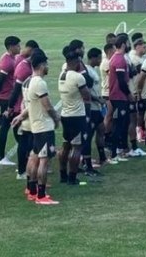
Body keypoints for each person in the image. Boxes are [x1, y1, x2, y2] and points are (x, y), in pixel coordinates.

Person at [13, 50, 61, 205]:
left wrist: (21, 116)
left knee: (34, 158)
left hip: (35, 126)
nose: (48, 67)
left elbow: (30, 105)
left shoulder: (29, 81)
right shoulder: (39, 82)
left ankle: (31, 189)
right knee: (44, 161)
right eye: (46, 64)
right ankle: (41, 195)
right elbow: (46, 105)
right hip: (43, 127)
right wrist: (56, 118)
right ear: (41, 65)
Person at [6, 40, 39, 180]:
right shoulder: (24, 68)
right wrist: (10, 107)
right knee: (25, 141)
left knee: (28, 140)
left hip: (25, 108)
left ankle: (26, 168)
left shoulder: (27, 67)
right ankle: (22, 170)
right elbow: (15, 90)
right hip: (23, 110)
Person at [57, 46, 91, 185]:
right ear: (77, 62)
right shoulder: (78, 77)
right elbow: (87, 96)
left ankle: (63, 175)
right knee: (77, 147)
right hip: (77, 116)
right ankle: (72, 177)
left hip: (65, 114)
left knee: (65, 145)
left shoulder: (61, 75)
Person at [0, 36, 21, 166]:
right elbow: (0, 79)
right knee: (9, 125)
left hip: (8, 96)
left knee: (11, 124)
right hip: (6, 98)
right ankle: (1, 157)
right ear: (11, 47)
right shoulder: (7, 61)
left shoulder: (11, 58)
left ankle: (9, 154)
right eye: (18, 45)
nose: (19, 47)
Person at [109, 34, 133, 162]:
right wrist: (129, 94)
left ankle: (118, 151)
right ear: (124, 44)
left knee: (122, 124)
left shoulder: (117, 58)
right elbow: (121, 81)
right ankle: (114, 154)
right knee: (119, 125)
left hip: (118, 96)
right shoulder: (119, 59)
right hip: (119, 96)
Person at [83, 48, 106, 175]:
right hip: (91, 108)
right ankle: (86, 163)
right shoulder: (87, 72)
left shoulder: (93, 70)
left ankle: (102, 157)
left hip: (97, 107)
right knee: (89, 135)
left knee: (101, 129)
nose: (100, 60)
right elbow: (86, 92)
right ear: (93, 58)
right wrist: (97, 99)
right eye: (99, 58)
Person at [99, 43, 116, 165]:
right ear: (109, 51)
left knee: (110, 117)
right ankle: (105, 138)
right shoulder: (106, 62)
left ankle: (108, 137)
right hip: (107, 92)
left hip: (110, 92)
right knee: (108, 116)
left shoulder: (109, 61)